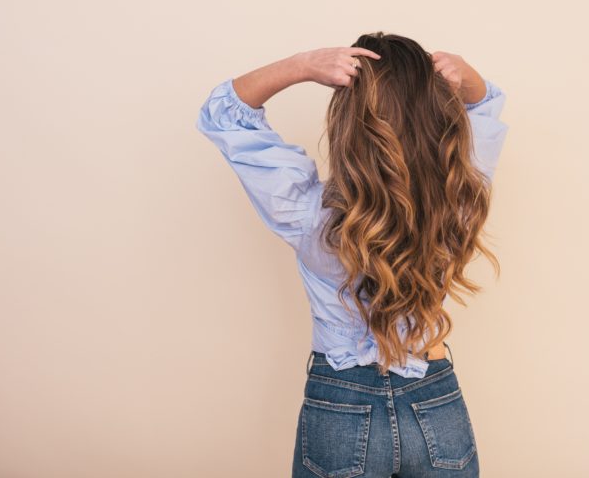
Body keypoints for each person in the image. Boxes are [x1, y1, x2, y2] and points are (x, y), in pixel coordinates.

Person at [196, 31, 508, 478]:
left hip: (339, 406)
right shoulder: (457, 198)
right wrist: (467, 76)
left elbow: (225, 115)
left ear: (346, 122)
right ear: (434, 115)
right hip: (435, 405)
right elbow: (485, 105)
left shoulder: (309, 216)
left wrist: (303, 65)